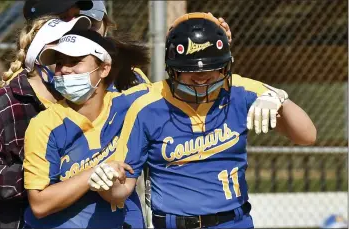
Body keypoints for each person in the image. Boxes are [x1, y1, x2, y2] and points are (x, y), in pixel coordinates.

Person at [88, 12, 317, 229]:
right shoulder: (147, 105)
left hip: (234, 222)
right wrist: (105, 182)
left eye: (212, 69)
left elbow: (307, 136)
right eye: (190, 71)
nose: (202, 79)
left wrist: (279, 97)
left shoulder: (239, 90)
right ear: (173, 69)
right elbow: (122, 189)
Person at [22, 29, 150, 228]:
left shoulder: (133, 105)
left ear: (105, 68)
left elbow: (188, 82)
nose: (64, 69)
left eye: (74, 61)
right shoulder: (44, 124)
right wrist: (91, 175)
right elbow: (39, 204)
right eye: (60, 62)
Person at [0, 15, 92, 229]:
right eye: (61, 49)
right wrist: (46, 174)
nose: (71, 54)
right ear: (39, 57)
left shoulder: (82, 103)